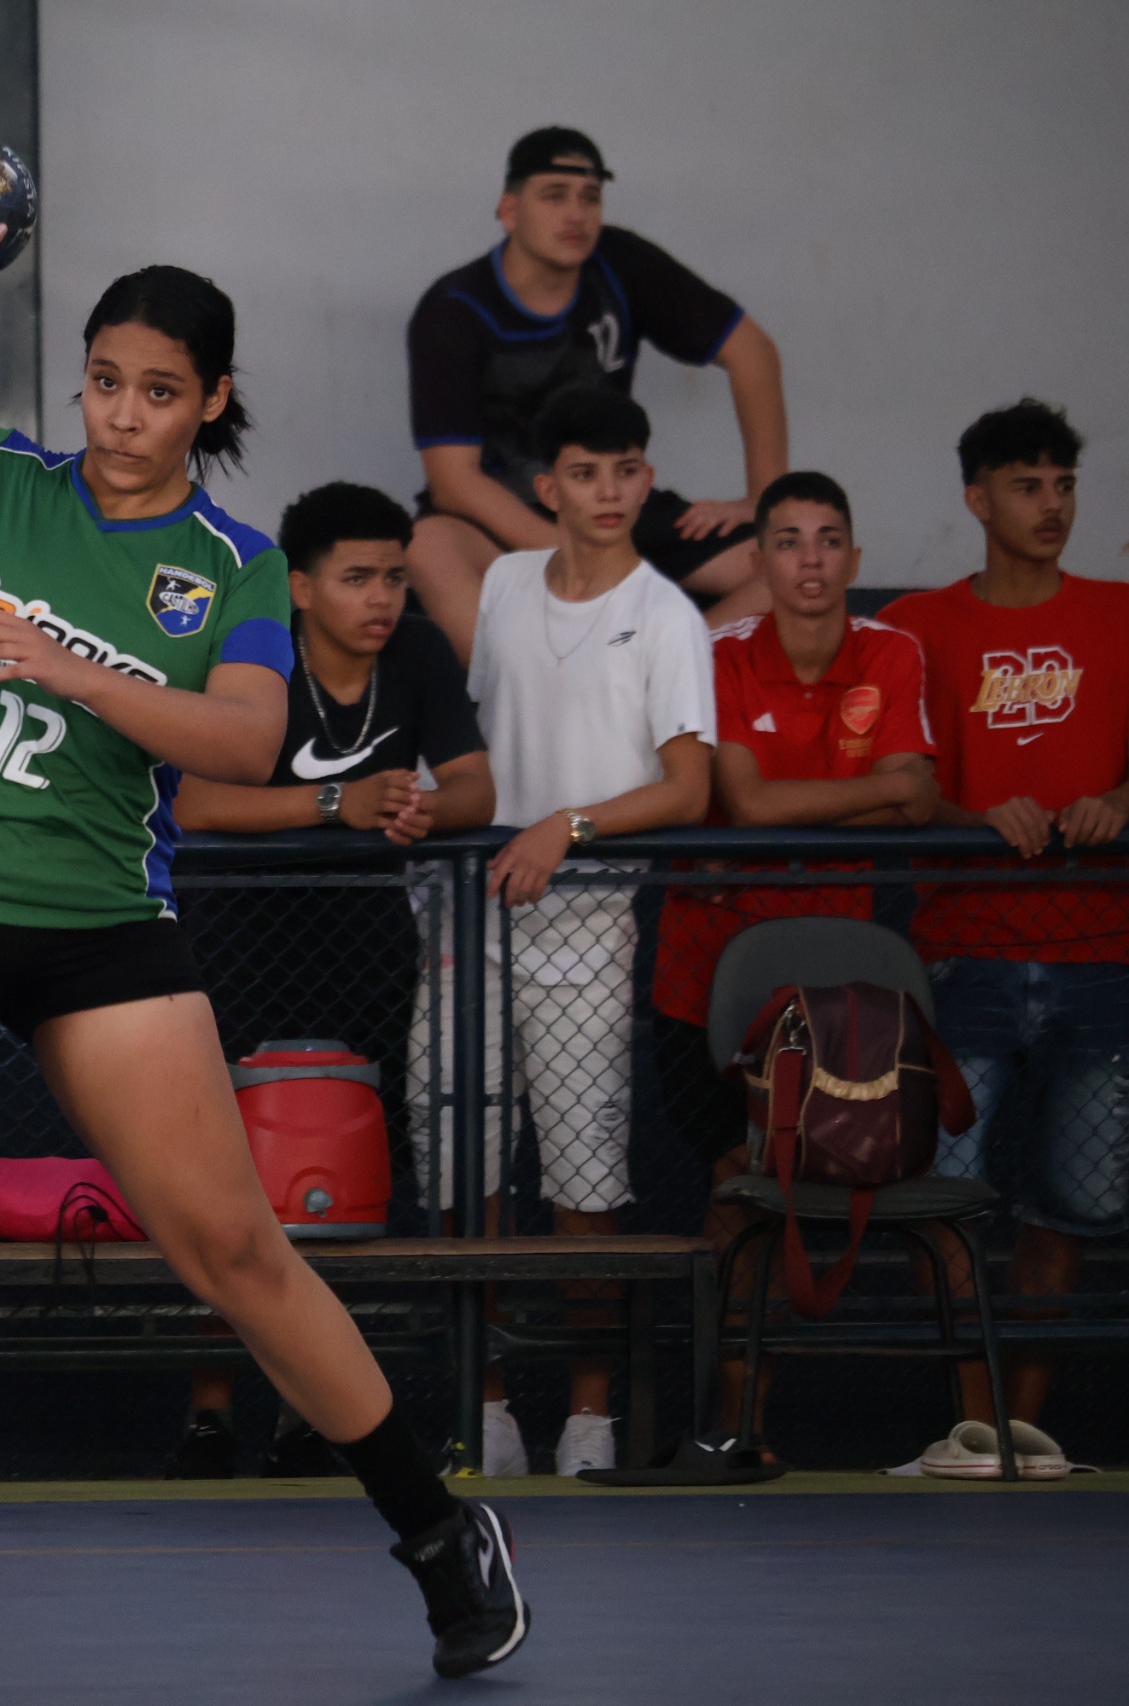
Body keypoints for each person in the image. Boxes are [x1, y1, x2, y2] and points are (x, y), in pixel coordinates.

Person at [0, 222, 528, 1692]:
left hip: (100, 919)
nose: (121, 415)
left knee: (232, 1250)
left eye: (159, 392)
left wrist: (68, 667)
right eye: (103, 381)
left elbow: (245, 738)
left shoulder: (233, 565)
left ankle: (439, 1533)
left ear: (211, 401)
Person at [169, 480, 494, 1477]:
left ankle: (309, 1409)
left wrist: (417, 811)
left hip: (364, 942)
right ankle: (209, 1410)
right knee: (223, 1179)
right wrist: (332, 804)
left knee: (337, 1179)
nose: (382, 597)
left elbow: (475, 787)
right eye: (357, 577)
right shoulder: (250, 648)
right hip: (235, 938)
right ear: (300, 587)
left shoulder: (419, 653)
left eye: (394, 576)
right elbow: (192, 801)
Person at [440, 386, 713, 1477]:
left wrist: (568, 823)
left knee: (585, 1187)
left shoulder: (669, 615)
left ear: (647, 479)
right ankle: (487, 1405)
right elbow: (428, 540)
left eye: (627, 469)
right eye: (586, 472)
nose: (610, 490)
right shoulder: (505, 581)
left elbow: (689, 786)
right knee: (460, 1173)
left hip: (590, 928)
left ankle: (590, 1418)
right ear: (547, 486)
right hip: (468, 923)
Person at [648, 472, 935, 1444]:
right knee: (737, 1192)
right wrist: (871, 792)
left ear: (854, 557)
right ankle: (730, 1429)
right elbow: (751, 802)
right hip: (705, 983)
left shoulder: (892, 648)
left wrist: (785, 811)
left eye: (828, 540)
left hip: (840, 1000)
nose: (810, 560)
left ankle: (964, 1435)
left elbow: (920, 801)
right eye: (787, 540)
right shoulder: (717, 652)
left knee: (861, 1200)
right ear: (760, 560)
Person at [880, 399, 1129, 1452]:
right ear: (977, 499)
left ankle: (1019, 1429)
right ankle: (968, 1427)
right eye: (1027, 485)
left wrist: (1118, 803)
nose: (1051, 504)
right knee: (944, 1202)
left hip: (1101, 950)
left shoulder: (1122, 613)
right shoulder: (917, 623)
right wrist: (974, 816)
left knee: (1073, 1204)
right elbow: (895, 787)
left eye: (1063, 484)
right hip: (966, 947)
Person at [404, 126, 787, 662]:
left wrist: (764, 500)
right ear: (510, 211)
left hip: (612, 503)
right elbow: (453, 483)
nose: (576, 215)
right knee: (427, 546)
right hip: (503, 519)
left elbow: (753, 353)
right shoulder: (454, 308)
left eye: (590, 198)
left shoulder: (620, 262)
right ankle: (522, 692)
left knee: (789, 566)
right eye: (554, 196)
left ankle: (660, 670)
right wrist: (570, 552)